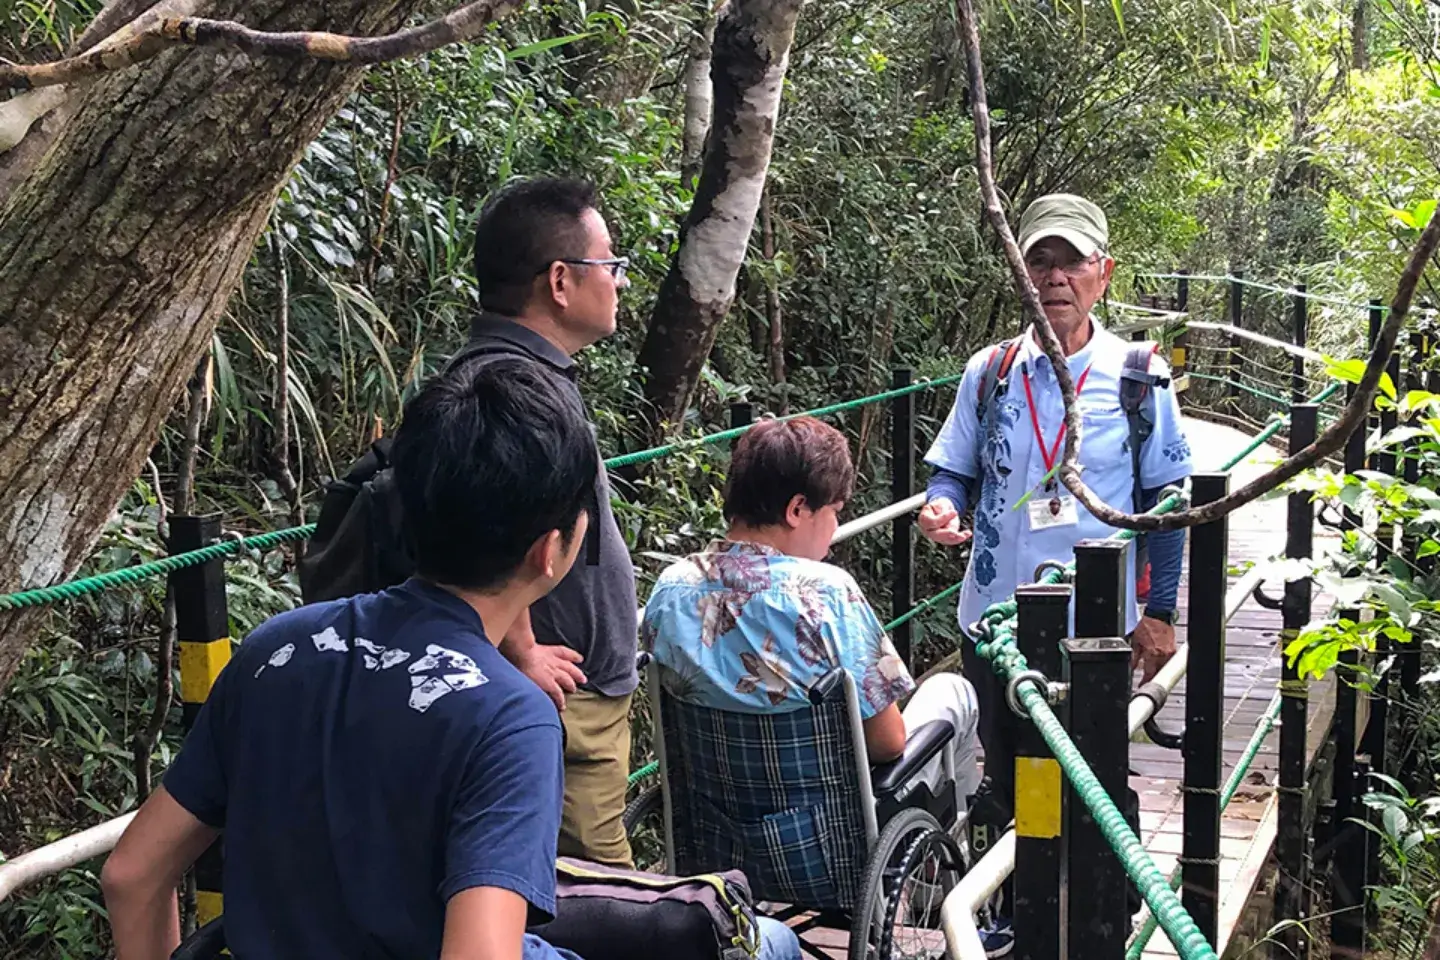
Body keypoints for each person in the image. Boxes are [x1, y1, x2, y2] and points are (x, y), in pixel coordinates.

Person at [100, 359, 802, 960]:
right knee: (769, 942)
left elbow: (133, 875)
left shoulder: (276, 648)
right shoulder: (508, 717)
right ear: (549, 550)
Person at [918, 193, 1194, 956]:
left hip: (1094, 631)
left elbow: (1166, 503)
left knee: (1095, 771)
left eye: (1071, 261)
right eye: (1039, 259)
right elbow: (952, 472)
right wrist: (942, 509)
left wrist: (1161, 611)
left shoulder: (1139, 377)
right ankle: (1021, 906)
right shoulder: (992, 370)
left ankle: (1107, 907)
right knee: (1010, 772)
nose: (1054, 276)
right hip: (997, 621)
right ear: (1020, 271)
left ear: (1102, 274)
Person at [643, 416, 982, 822]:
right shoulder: (825, 593)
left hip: (711, 830)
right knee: (953, 692)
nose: (836, 526)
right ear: (798, 509)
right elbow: (889, 743)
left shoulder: (671, 588)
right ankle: (960, 857)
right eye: (835, 511)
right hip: (823, 840)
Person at [466, 177, 640, 868]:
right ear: (561, 281)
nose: (620, 282)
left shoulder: (518, 374)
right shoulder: (515, 389)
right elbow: (488, 526)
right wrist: (522, 650)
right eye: (612, 265)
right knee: (598, 892)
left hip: (570, 695)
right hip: (562, 702)